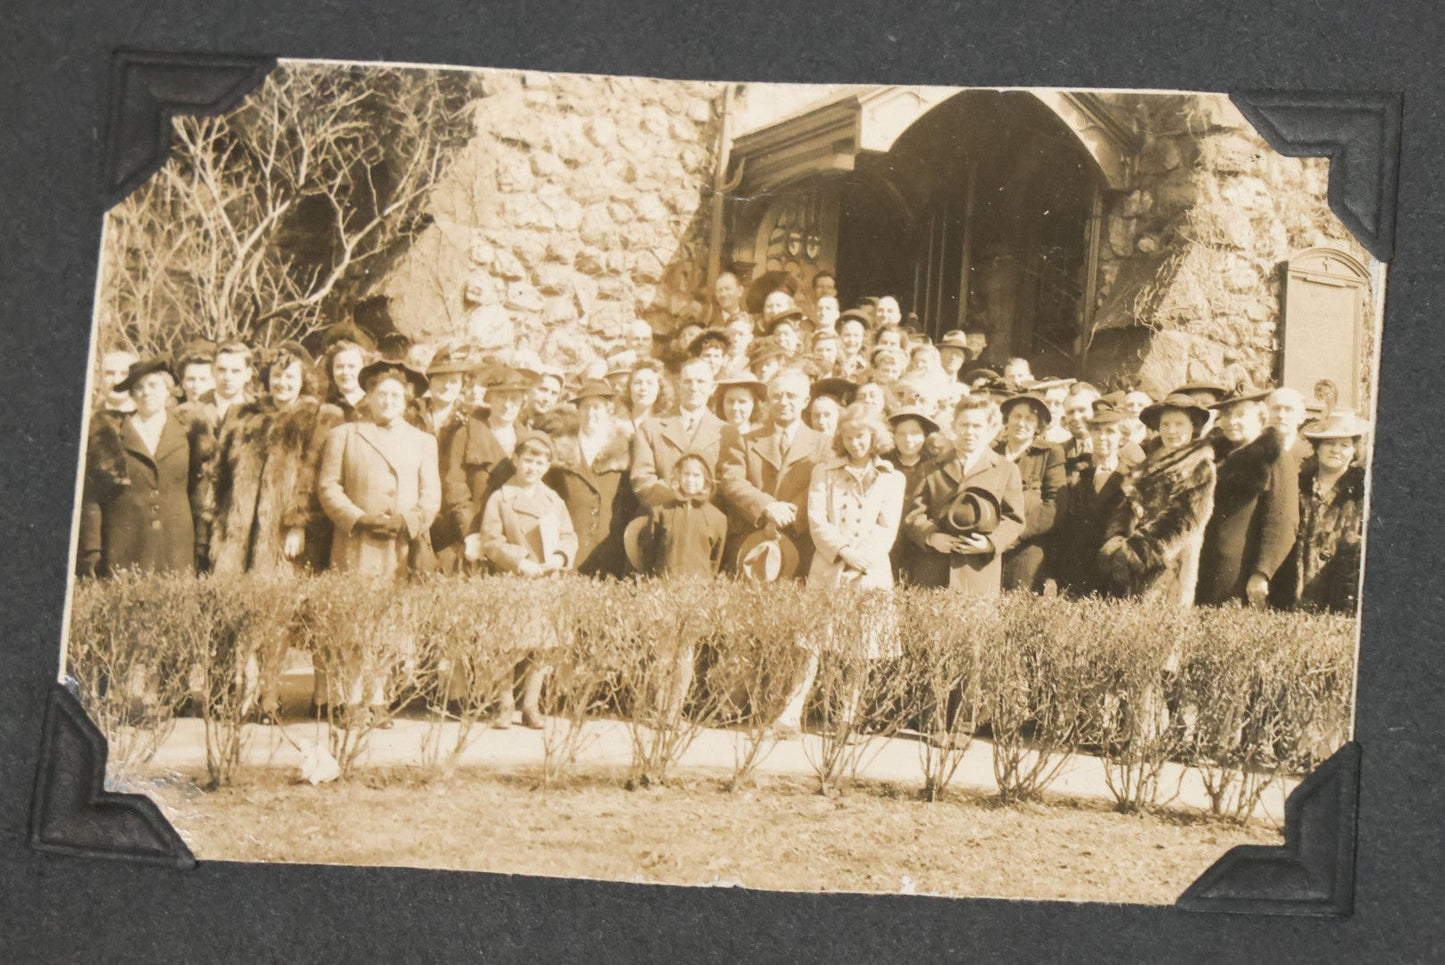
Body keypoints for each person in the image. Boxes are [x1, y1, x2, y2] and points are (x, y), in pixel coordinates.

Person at [771, 404, 906, 737]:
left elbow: (887, 527)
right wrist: (844, 552)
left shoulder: (892, 477)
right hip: (829, 567)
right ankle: (791, 713)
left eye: (861, 436)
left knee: (861, 648)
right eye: (848, 437)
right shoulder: (825, 472)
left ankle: (847, 715)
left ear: (873, 436)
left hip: (869, 571)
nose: (855, 443)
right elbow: (817, 520)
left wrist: (862, 560)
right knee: (812, 645)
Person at [470, 431, 578, 729]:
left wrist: (560, 557)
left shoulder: (553, 500)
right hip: (512, 580)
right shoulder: (501, 498)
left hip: (545, 582)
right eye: (528, 460)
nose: (533, 467)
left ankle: (531, 705)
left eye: (540, 462)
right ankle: (504, 704)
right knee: (505, 646)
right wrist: (519, 561)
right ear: (516, 460)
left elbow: (569, 536)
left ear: (548, 466)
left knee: (541, 646)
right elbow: (491, 540)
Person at [210, 341, 339, 577]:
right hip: (239, 533)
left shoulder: (317, 418)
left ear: (303, 380)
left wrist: (298, 525)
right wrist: (220, 526)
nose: (282, 383)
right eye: (277, 375)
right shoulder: (244, 415)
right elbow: (220, 475)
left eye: (290, 377)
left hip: (283, 533)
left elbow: (312, 477)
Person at [78, 357, 215, 579]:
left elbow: (200, 490)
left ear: (168, 390)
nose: (146, 392)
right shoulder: (112, 432)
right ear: (132, 394)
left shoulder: (188, 432)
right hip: (124, 545)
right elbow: (92, 495)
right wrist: (92, 548)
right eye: (139, 387)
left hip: (176, 545)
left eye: (153, 385)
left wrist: (201, 541)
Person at [1096, 394, 1216, 605]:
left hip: (1169, 562)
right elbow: (1126, 507)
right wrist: (1115, 541)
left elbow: (1182, 521)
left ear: (1193, 426)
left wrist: (1132, 552)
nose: (1171, 431)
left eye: (1179, 424)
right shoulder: (1147, 464)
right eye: (1165, 424)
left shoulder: (1199, 466)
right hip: (1130, 563)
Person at [716, 366, 835, 574]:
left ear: (805, 401)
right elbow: (732, 481)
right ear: (769, 400)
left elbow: (821, 487)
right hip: (753, 533)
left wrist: (787, 516)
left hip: (802, 536)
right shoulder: (745, 440)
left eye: (791, 396)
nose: (783, 402)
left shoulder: (824, 444)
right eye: (777, 396)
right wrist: (767, 507)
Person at [903, 397, 1025, 595]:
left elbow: (1014, 521)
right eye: (964, 425)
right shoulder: (930, 468)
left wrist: (990, 543)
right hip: (934, 570)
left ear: (990, 429)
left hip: (978, 572)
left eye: (977, 426)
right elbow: (913, 515)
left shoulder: (1005, 469)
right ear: (954, 426)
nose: (969, 432)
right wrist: (931, 537)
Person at [1196, 390, 1301, 608]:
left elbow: (1281, 521)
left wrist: (1262, 572)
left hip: (1241, 576)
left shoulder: (1275, 457)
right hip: (1205, 568)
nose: (1231, 421)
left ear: (1261, 418)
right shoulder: (1214, 457)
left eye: (1241, 414)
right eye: (1226, 415)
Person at [441, 366, 534, 564]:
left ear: (522, 402)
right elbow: (454, 488)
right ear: (489, 398)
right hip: (474, 535)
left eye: (514, 399)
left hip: (515, 539)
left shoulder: (527, 439)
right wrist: (470, 534)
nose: (507, 405)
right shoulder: (466, 435)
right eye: (501, 397)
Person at [542, 380, 634, 577]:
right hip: (570, 550)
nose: (591, 413)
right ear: (577, 411)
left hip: (611, 552)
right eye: (585, 407)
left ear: (609, 410)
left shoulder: (625, 450)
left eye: (597, 407)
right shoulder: (559, 450)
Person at [1286, 409, 1369, 613]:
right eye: (1329, 443)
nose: (1336, 450)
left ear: (1354, 450)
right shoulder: (1297, 484)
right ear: (1318, 447)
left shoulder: (1362, 490)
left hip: (1338, 594)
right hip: (1291, 590)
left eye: (1344, 445)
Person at [1053, 407, 1131, 597]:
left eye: (1110, 431)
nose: (1102, 437)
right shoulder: (1075, 472)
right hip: (1074, 569)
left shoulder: (1131, 478)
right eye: (1097, 431)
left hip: (1111, 571)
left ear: (1122, 438)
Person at [631, 358, 725, 512]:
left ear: (712, 388)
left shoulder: (725, 432)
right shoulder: (651, 427)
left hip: (707, 520)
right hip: (662, 515)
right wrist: (678, 502)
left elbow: (728, 484)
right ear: (678, 384)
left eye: (701, 381)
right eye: (688, 381)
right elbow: (642, 478)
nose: (693, 387)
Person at [995, 393, 1066, 592]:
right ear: (1007, 420)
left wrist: (1014, 536)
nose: (1021, 423)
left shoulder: (1049, 454)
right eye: (1016, 416)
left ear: (1038, 426)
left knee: (1019, 599)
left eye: (1029, 419)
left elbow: (1054, 506)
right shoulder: (991, 453)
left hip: (1028, 542)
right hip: (990, 540)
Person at [635, 453, 728, 577]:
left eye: (696, 475)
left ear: (706, 480)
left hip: (699, 585)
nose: (690, 480)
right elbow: (649, 550)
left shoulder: (717, 518)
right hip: (664, 582)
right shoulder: (661, 511)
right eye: (686, 474)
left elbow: (715, 560)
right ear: (679, 476)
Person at [203, 341, 255, 427]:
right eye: (221, 370)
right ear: (212, 370)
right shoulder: (194, 410)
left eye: (235, 371)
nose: (227, 377)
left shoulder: (257, 412)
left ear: (248, 374)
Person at [323, 339, 370, 422]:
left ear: (364, 369)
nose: (345, 372)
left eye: (351, 366)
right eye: (340, 367)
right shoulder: (325, 407)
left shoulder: (373, 403)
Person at [621, 358, 672, 436]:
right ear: (629, 388)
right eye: (638, 382)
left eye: (650, 383)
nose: (643, 388)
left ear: (659, 388)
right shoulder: (617, 425)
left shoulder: (669, 424)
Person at [1268, 386, 1313, 462]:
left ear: (1302, 417)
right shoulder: (1252, 453)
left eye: (1288, 409)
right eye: (1276, 408)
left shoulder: (1310, 457)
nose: (1281, 415)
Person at [94, 348, 138, 416]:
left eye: (124, 374)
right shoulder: (89, 415)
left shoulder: (150, 417)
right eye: (110, 373)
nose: (116, 381)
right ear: (101, 377)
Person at [837, 311, 871, 378]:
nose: (851, 340)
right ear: (839, 336)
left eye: (856, 336)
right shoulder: (830, 363)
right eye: (847, 335)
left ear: (862, 338)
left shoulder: (866, 368)